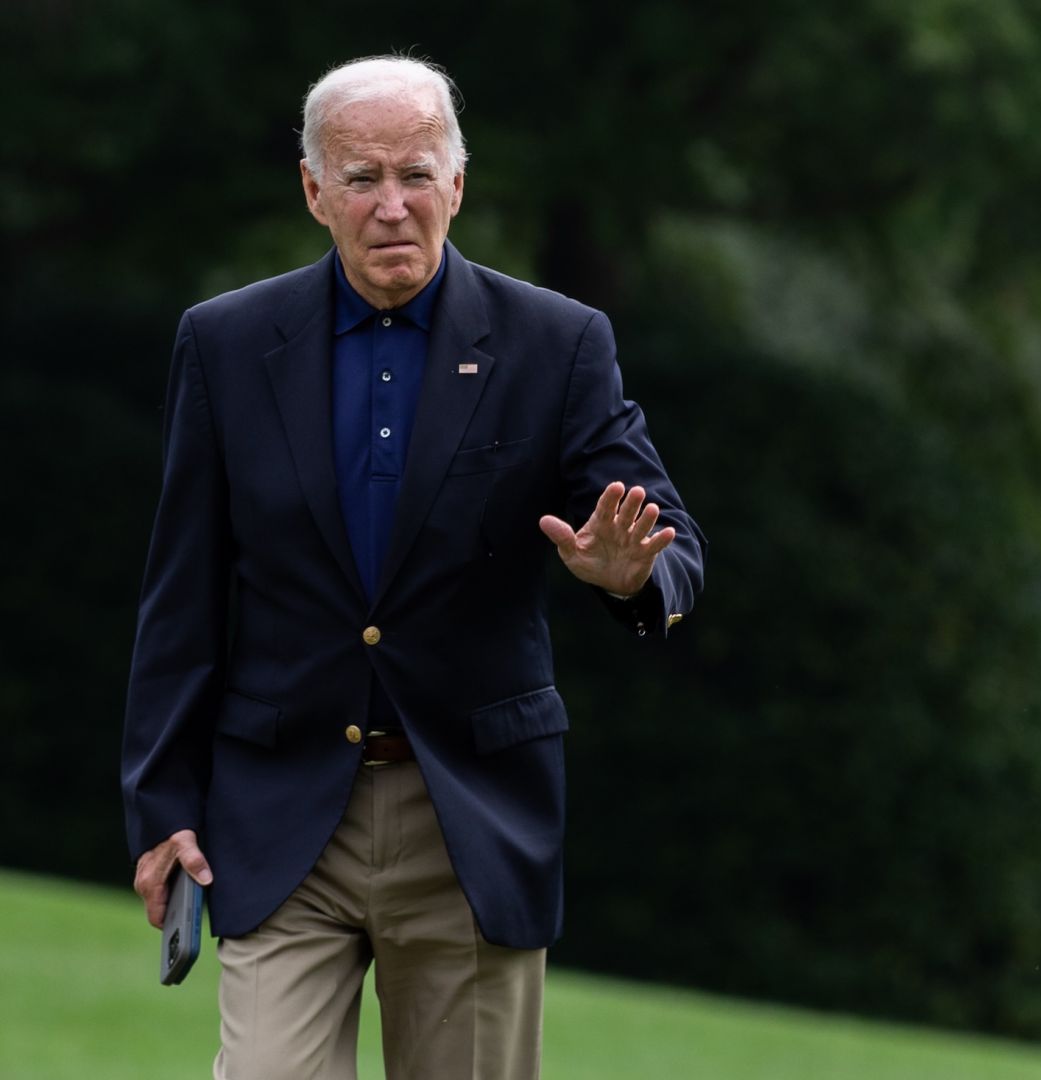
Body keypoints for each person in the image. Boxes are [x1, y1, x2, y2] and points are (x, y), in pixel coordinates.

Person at [121, 54, 705, 1080]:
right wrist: (162, 805)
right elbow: (183, 594)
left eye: (417, 174)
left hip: (469, 822)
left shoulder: (557, 344)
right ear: (314, 191)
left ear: (459, 185)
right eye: (361, 178)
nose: (392, 205)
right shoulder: (223, 343)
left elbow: (672, 549)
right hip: (280, 811)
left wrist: (630, 578)